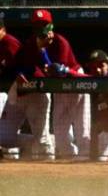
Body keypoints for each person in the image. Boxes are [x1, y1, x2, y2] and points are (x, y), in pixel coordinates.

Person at [13, 9, 90, 160]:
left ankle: (85, 160)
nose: (41, 28)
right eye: (38, 25)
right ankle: (71, 161)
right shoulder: (31, 43)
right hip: (59, 88)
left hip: (74, 82)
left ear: (51, 26)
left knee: (82, 128)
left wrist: (43, 52)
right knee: (60, 134)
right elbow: (23, 63)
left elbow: (57, 72)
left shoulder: (60, 42)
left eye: (44, 24)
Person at [0, 20, 21, 152]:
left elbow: (20, 67)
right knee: (5, 136)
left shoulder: (9, 42)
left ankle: (46, 150)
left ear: (3, 29)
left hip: (24, 88)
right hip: (10, 91)